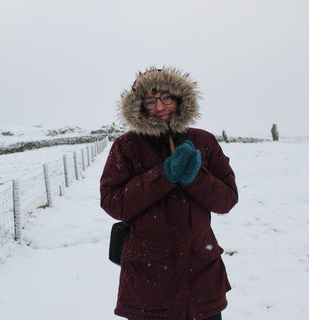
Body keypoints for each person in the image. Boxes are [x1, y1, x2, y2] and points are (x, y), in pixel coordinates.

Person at [100, 67, 238, 320]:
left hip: (201, 274)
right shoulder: (126, 146)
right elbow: (113, 203)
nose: (160, 107)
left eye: (166, 98)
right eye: (150, 101)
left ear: (180, 99)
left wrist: (196, 177)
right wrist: (163, 176)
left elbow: (227, 200)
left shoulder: (204, 141)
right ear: (139, 106)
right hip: (148, 279)